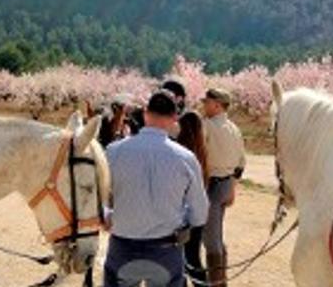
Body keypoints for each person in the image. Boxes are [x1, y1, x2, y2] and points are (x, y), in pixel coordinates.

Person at [104, 90, 209, 287]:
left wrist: (107, 214)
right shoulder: (185, 157)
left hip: (122, 246)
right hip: (166, 248)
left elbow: (96, 197)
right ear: (174, 118)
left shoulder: (114, 151)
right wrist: (181, 217)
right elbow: (200, 213)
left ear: (145, 113)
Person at [201, 88, 245, 287]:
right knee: (216, 234)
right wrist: (233, 188)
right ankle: (221, 280)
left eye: (207, 102)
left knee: (211, 238)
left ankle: (217, 283)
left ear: (217, 105)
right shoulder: (234, 128)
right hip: (227, 183)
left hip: (212, 183)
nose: (204, 105)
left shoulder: (207, 126)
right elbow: (241, 164)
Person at [176, 110, 209, 287]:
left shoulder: (182, 153)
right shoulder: (201, 150)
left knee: (179, 261)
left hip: (181, 215)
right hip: (197, 214)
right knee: (194, 259)